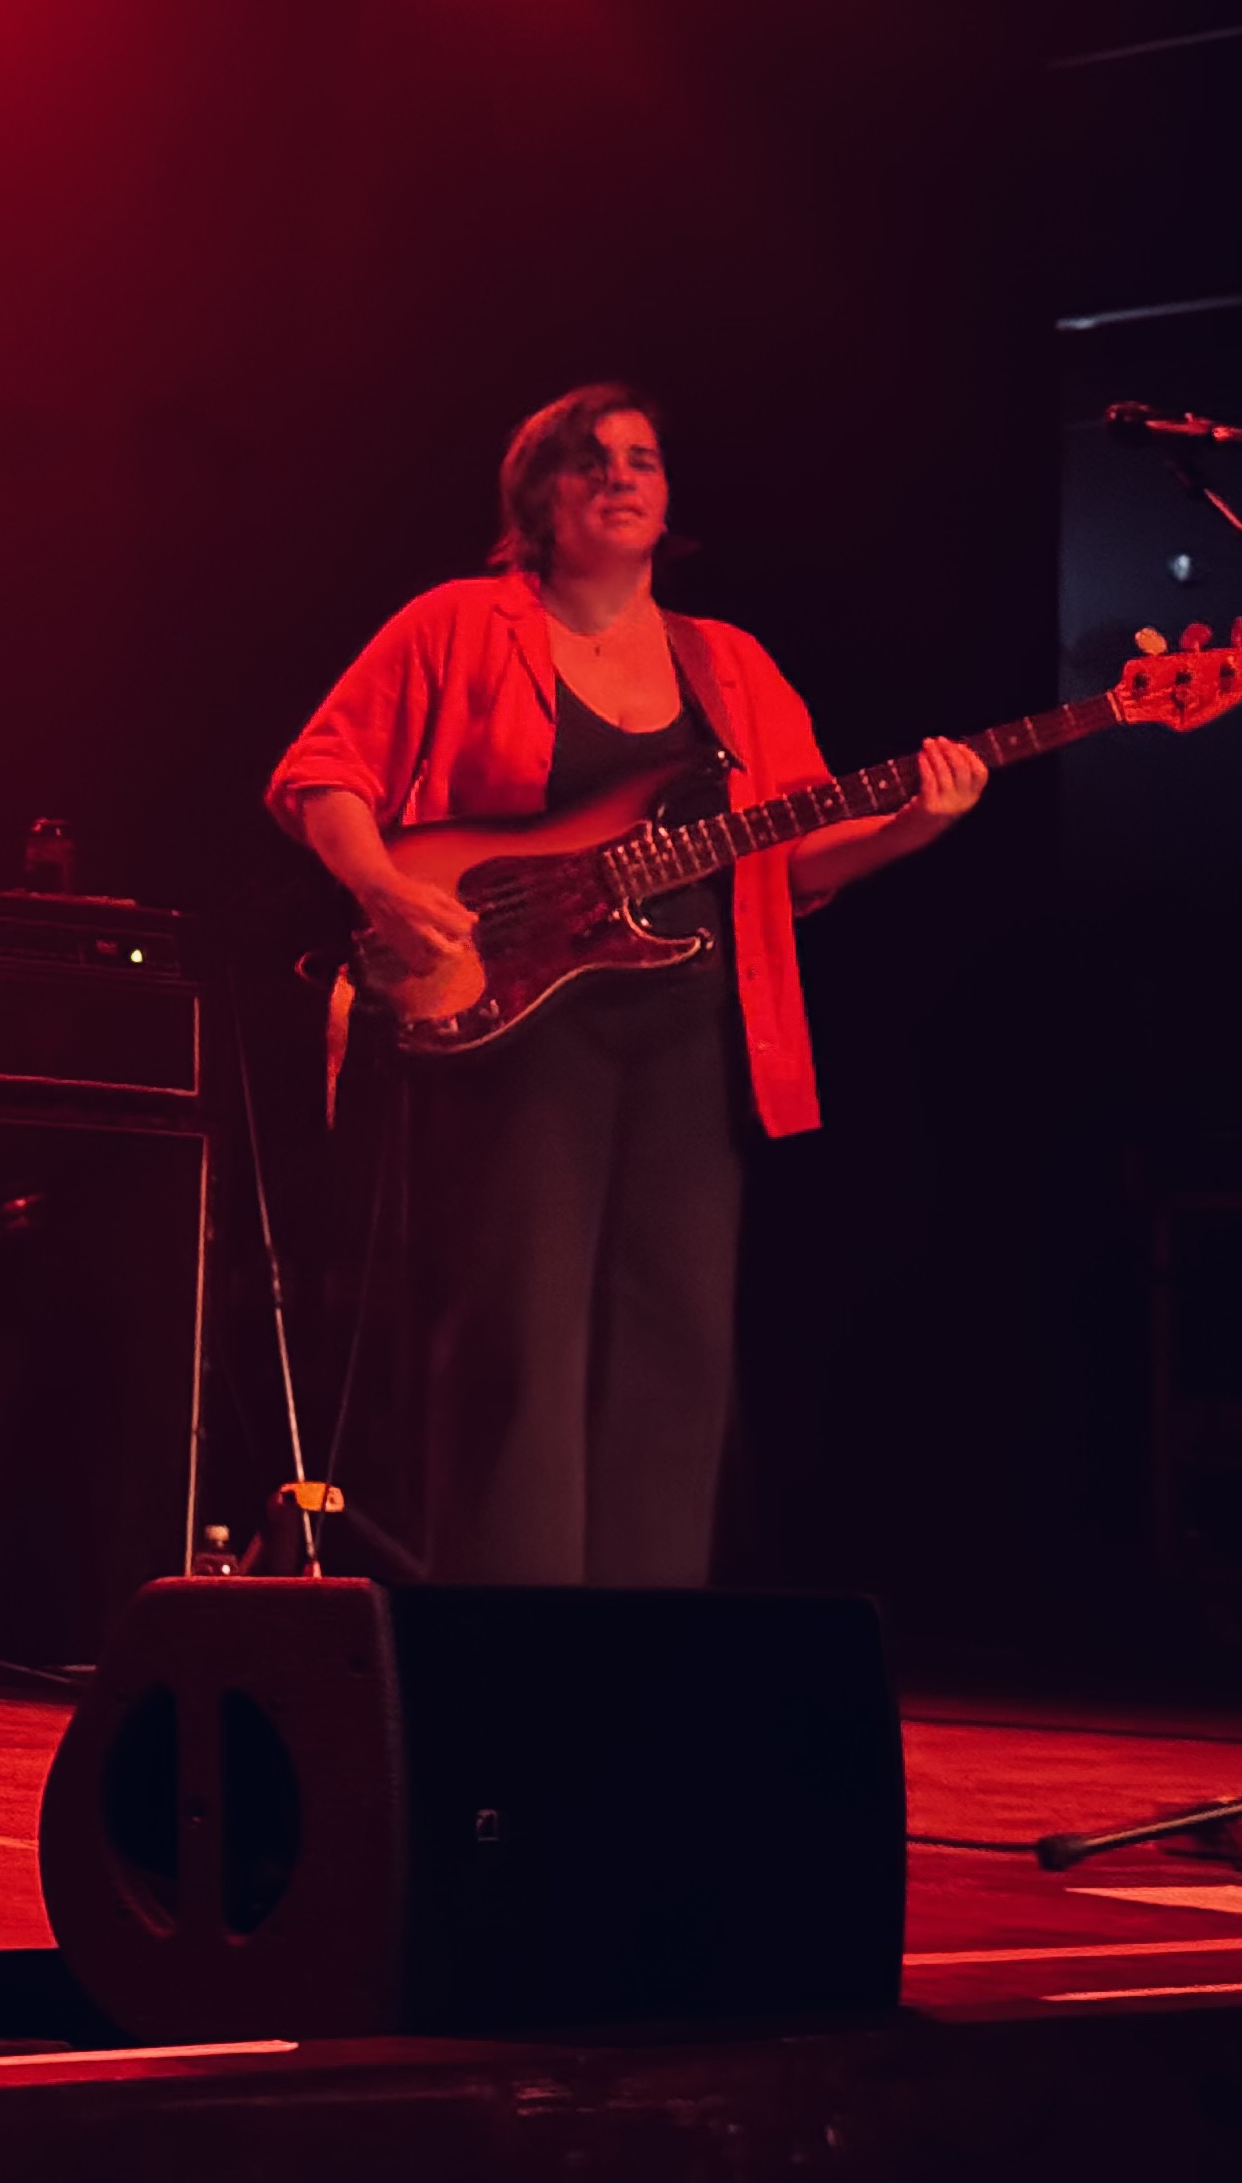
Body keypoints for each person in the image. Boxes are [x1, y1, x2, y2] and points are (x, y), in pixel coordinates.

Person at [264, 384, 983, 1585]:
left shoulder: (729, 663)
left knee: (676, 1342)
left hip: (691, 1028)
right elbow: (322, 774)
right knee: (519, 1339)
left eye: (642, 459)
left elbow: (789, 857)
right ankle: (506, 1645)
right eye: (588, 462)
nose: (621, 477)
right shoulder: (456, 622)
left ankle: (640, 1661)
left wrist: (912, 826)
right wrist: (384, 887)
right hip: (512, 1023)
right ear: (535, 500)